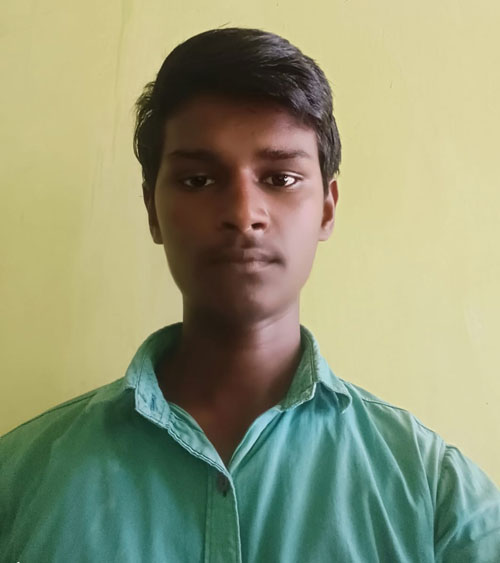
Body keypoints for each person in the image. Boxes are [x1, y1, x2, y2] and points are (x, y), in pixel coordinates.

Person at [1, 27, 499, 563]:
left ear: (327, 208)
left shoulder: (436, 495)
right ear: (152, 210)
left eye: (281, 179)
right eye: (198, 180)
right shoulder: (20, 480)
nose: (243, 215)